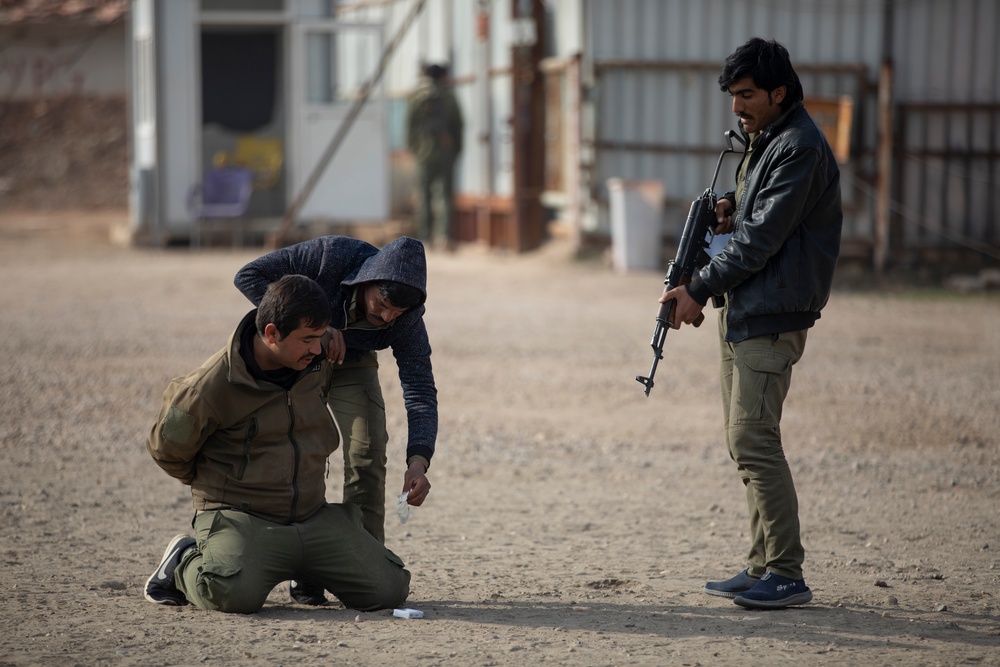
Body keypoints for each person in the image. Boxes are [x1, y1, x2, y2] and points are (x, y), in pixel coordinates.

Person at [660, 37, 843, 610]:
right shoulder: (767, 143)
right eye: (733, 96)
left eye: (747, 95)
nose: (737, 107)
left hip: (770, 310)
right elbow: (757, 220)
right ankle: (761, 563)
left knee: (753, 438)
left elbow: (763, 241)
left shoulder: (800, 146)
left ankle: (786, 573)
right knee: (744, 442)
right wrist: (729, 212)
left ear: (779, 92)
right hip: (744, 308)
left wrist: (696, 289)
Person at [143, 274, 410, 613]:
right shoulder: (207, 388)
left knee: (388, 590)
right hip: (243, 520)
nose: (318, 349)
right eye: (308, 339)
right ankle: (183, 559)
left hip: (312, 517)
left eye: (321, 337)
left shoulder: (314, 361)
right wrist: (221, 486)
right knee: (230, 595)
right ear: (271, 334)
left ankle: (309, 570)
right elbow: (166, 451)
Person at [234, 235, 436, 605]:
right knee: (301, 455)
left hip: (353, 363)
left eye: (398, 313)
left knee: (368, 453)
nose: (387, 317)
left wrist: (419, 461)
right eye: (383, 304)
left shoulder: (406, 319)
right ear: (366, 281)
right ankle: (305, 571)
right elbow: (248, 275)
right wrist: (317, 329)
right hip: (297, 355)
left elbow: (420, 388)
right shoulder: (331, 255)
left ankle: (366, 568)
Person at [406, 62, 464, 249]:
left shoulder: (417, 96)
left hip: (423, 152)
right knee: (445, 195)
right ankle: (444, 237)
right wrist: (457, 150)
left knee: (424, 194)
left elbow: (410, 124)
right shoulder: (449, 96)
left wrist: (414, 148)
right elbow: (459, 124)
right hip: (445, 150)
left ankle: (424, 238)